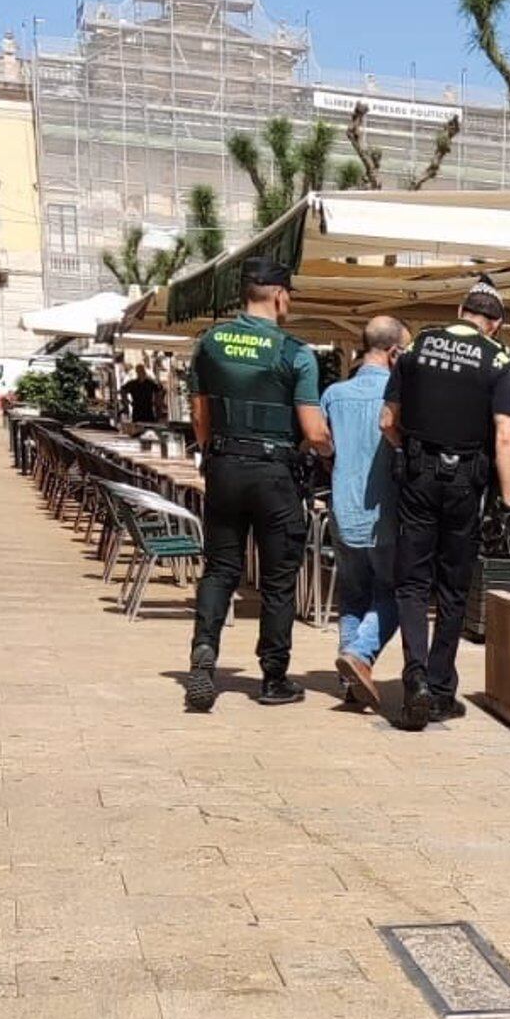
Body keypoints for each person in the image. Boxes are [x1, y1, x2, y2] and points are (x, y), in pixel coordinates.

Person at [183, 258, 333, 712]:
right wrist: (326, 452)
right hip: (275, 475)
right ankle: (273, 678)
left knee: (221, 568)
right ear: (280, 295)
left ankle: (204, 654)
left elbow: (199, 416)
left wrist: (215, 454)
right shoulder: (295, 353)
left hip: (225, 466)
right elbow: (314, 430)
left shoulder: (209, 343)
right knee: (278, 580)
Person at [382, 277, 510, 730]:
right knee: (453, 589)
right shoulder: (498, 360)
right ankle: (441, 689)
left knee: (412, 585)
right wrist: (507, 499)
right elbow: (505, 434)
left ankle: (414, 677)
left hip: (418, 477)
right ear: (494, 325)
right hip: (467, 482)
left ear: (461, 312)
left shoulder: (417, 347)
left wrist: (410, 451)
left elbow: (387, 421)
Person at [321, 315, 407, 709]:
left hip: (342, 507)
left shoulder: (334, 395)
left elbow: (321, 443)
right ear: (393, 353)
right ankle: (360, 656)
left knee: (353, 594)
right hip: (385, 513)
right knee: (392, 594)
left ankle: (349, 676)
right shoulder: (397, 397)